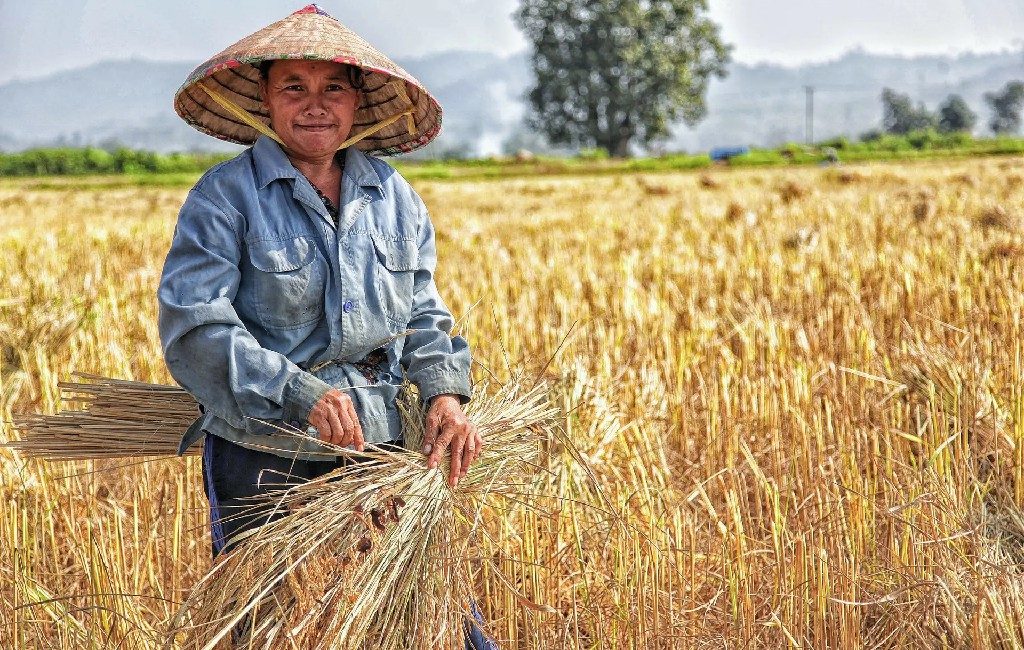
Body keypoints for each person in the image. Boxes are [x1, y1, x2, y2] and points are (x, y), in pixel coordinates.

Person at [158, 5, 492, 647]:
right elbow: (196, 328)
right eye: (294, 87)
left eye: (332, 87)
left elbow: (422, 309)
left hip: (378, 442)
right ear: (264, 99)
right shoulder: (224, 198)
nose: (315, 106)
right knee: (257, 623)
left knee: (433, 615)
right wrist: (301, 392)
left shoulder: (393, 196)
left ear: (357, 99)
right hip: (263, 448)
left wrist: (445, 395)